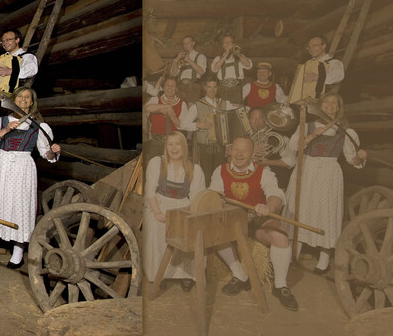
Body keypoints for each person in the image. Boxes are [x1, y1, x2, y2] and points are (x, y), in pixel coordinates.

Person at [0, 87, 60, 271]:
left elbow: (47, 154)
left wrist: (54, 151)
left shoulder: (38, 126)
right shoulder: (0, 120)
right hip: (1, 163)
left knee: (20, 205)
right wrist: (4, 130)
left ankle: (18, 254)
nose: (23, 100)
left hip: (22, 167)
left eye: (28, 97)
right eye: (20, 97)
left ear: (32, 102)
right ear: (13, 100)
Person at [280, 93, 366, 276]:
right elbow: (294, 147)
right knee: (300, 209)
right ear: (319, 106)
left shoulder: (345, 131)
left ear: (338, 108)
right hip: (307, 168)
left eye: (334, 103)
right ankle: (293, 253)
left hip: (329, 173)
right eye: (326, 102)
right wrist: (311, 136)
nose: (329, 106)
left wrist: (360, 157)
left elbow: (353, 160)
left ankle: (324, 259)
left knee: (325, 211)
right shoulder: (307, 125)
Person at [211, 138, 291, 310]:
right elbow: (214, 196)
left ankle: (280, 286)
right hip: (233, 220)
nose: (239, 154)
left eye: (244, 151)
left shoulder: (264, 172)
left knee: (281, 236)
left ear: (252, 153)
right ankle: (240, 275)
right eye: (236, 150)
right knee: (214, 233)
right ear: (231, 151)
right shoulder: (220, 170)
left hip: (257, 220)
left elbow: (276, 195)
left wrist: (268, 206)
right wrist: (223, 205)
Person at [143, 132, 202, 291]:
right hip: (159, 204)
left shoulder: (194, 169)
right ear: (166, 147)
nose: (174, 148)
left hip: (183, 206)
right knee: (155, 227)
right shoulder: (157, 163)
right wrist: (157, 213)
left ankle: (186, 275)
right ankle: (158, 274)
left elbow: (197, 198)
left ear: (184, 147)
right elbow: (150, 191)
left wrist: (185, 215)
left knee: (188, 231)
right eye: (170, 144)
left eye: (178, 144)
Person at [142, 76, 197, 161]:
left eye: (172, 86)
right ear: (163, 88)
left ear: (177, 88)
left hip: (174, 143)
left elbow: (181, 125)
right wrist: (166, 106)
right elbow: (147, 108)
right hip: (155, 142)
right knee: (152, 167)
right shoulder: (156, 99)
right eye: (167, 85)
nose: (170, 88)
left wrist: (172, 116)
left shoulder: (182, 104)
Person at [192, 77, 237, 175]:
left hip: (220, 144)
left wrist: (229, 144)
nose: (212, 90)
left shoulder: (225, 103)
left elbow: (234, 119)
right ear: (204, 88)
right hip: (205, 145)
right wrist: (198, 124)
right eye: (209, 87)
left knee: (219, 173)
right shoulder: (197, 104)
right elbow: (183, 124)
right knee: (206, 173)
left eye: (214, 87)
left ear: (218, 88)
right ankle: (207, 190)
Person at [210, 34, 252, 103]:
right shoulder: (218, 58)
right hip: (222, 88)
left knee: (236, 109)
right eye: (226, 43)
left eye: (230, 42)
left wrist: (239, 55)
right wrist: (226, 54)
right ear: (223, 46)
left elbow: (249, 65)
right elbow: (214, 69)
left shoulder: (239, 57)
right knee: (222, 109)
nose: (228, 44)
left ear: (233, 44)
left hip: (237, 88)